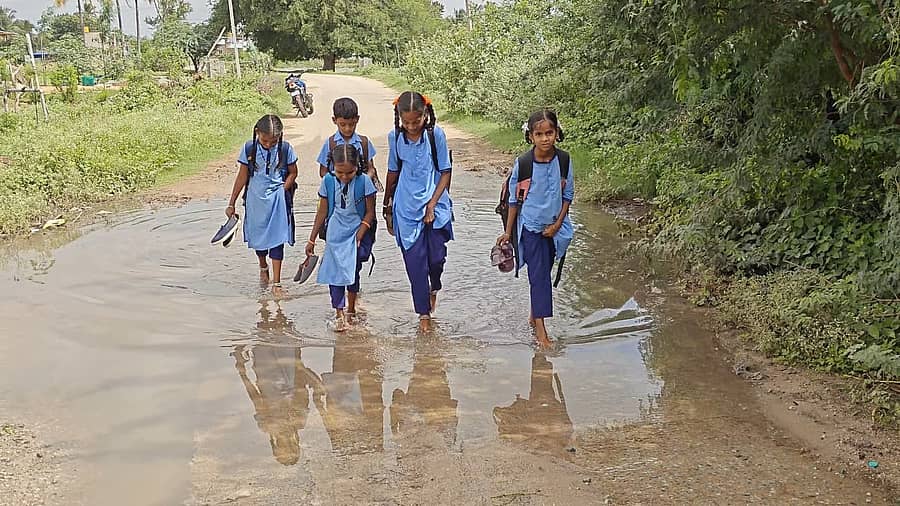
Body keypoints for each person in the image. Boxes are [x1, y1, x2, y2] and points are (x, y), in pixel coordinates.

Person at [496, 109, 574, 346]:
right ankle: (541, 333)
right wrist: (508, 233)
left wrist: (557, 225)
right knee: (538, 277)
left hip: (554, 229)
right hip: (531, 228)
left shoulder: (564, 160)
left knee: (544, 274)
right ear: (530, 136)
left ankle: (534, 316)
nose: (545, 138)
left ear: (557, 133)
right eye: (539, 134)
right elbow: (513, 201)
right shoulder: (523, 163)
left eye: (549, 133)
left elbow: (567, 196)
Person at [383, 91, 453, 332]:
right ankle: (423, 314)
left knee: (436, 259)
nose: (412, 126)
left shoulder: (435, 135)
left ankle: (434, 288)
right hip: (406, 207)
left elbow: (445, 172)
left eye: (417, 120)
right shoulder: (395, 137)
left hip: (436, 203)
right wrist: (387, 204)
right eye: (407, 122)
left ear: (425, 115)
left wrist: (432, 204)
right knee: (415, 264)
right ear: (399, 118)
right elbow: (393, 171)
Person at [306, 144, 377, 331]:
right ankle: (339, 313)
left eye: (349, 173)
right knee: (335, 274)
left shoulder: (364, 182)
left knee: (353, 270)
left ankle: (351, 309)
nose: (344, 177)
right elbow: (322, 212)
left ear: (357, 167)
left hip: (357, 230)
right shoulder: (328, 181)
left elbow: (370, 212)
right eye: (340, 173)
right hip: (335, 233)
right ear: (332, 167)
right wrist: (312, 239)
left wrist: (360, 233)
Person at [226, 114, 298, 295]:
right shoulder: (249, 148)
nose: (268, 145)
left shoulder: (286, 149)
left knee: (277, 239)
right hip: (255, 200)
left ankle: (277, 283)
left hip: (277, 201)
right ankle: (263, 266)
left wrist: (283, 189)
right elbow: (242, 176)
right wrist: (232, 203)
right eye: (265, 141)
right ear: (257, 132)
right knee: (258, 239)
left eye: (273, 142)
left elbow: (293, 172)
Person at [316, 97, 383, 192]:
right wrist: (338, 181)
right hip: (337, 192)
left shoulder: (363, 142)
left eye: (351, 124)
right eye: (342, 125)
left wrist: (362, 183)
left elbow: (371, 169)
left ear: (357, 119)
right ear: (334, 120)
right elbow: (323, 172)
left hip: (360, 193)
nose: (347, 129)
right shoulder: (330, 143)